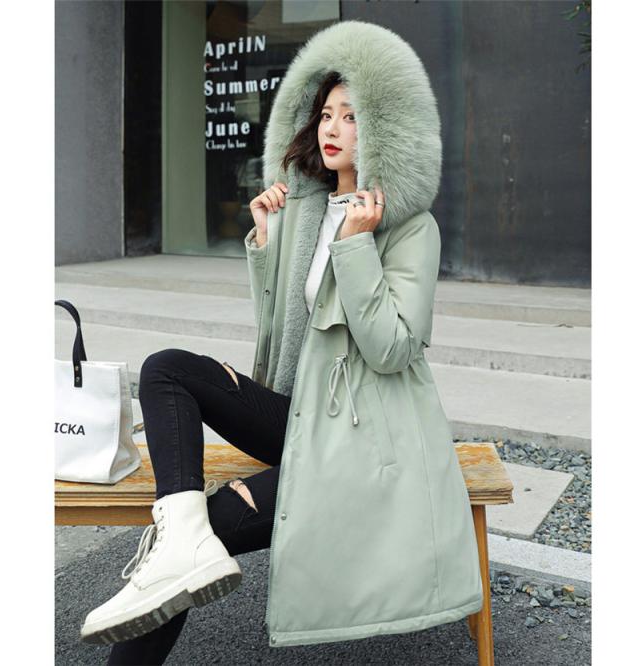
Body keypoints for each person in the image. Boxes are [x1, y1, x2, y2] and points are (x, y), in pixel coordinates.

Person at [80, 19, 483, 662]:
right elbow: (281, 334)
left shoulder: (411, 229)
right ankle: (178, 533)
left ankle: (181, 550)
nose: (332, 128)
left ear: (386, 128)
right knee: (166, 369)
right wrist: (267, 239)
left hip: (359, 439)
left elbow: (391, 350)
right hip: (298, 414)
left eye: (352, 116)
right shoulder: (307, 208)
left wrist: (357, 247)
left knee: (211, 531)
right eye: (326, 113)